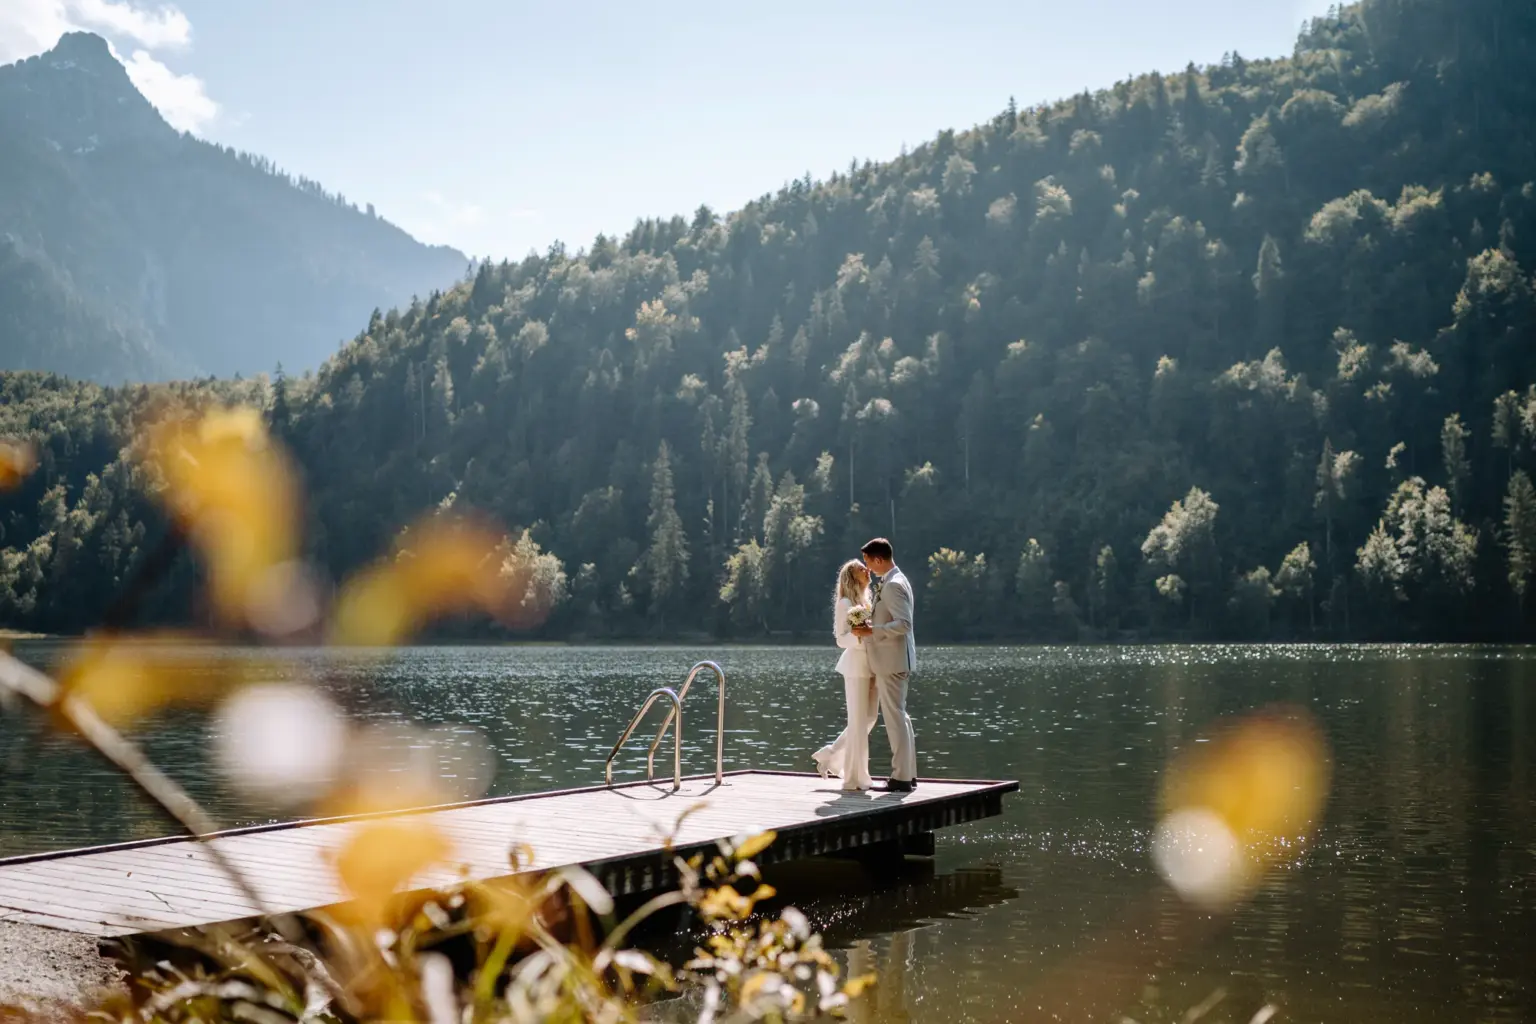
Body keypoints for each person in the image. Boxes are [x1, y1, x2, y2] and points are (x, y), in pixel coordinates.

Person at [851, 538, 917, 791]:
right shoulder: (896, 580)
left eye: (868, 561)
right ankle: (907, 774)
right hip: (896, 660)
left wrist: (872, 631)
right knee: (901, 717)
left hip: (891, 661)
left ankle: (900, 778)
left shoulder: (892, 585)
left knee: (895, 719)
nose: (867, 567)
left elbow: (904, 624)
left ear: (879, 560)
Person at [813, 560, 877, 791]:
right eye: (862, 568)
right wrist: (861, 638)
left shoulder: (866, 601)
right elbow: (841, 639)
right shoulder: (845, 603)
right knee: (859, 720)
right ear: (851, 575)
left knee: (869, 719)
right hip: (856, 666)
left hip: (872, 665)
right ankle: (855, 778)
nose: (867, 570)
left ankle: (830, 754)